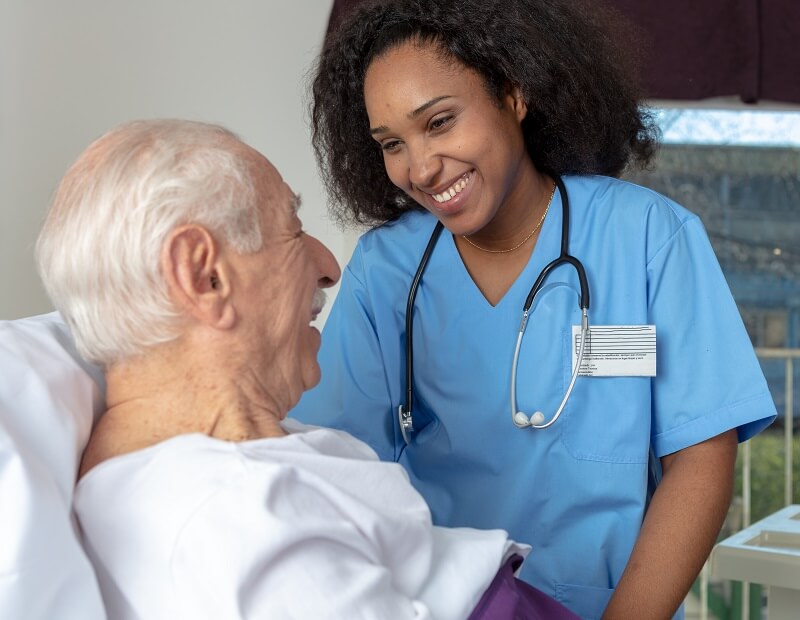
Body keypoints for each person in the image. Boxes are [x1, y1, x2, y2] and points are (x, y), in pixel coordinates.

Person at [289, 0, 778, 618]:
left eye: (439, 121)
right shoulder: (386, 271)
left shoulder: (648, 236)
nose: (419, 167)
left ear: (514, 93)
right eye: (391, 143)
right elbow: (334, 462)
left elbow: (702, 459)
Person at [34, 119, 580, 619]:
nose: (327, 267)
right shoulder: (238, 519)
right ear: (204, 276)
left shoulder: (203, 467)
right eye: (293, 230)